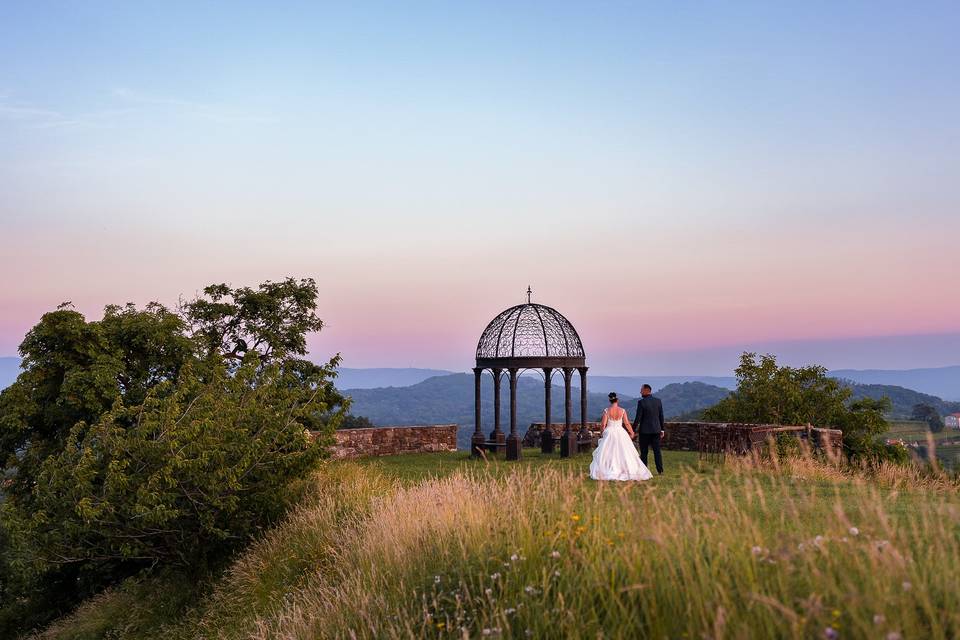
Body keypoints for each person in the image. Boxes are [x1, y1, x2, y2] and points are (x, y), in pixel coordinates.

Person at [589, 392, 653, 481]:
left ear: (610, 400)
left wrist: (602, 432)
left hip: (609, 432)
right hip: (620, 432)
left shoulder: (606, 411)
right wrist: (631, 432)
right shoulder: (622, 410)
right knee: (623, 451)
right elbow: (626, 423)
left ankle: (609, 468)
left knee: (608, 452)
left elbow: (603, 424)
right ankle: (625, 469)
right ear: (617, 400)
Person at [634, 384, 665, 475]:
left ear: (646, 390)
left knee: (644, 452)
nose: (640, 392)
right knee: (657, 451)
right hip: (656, 430)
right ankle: (660, 471)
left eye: (641, 390)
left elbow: (638, 418)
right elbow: (661, 416)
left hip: (644, 431)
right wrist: (662, 429)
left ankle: (644, 471)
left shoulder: (641, 402)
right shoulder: (658, 401)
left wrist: (632, 430)